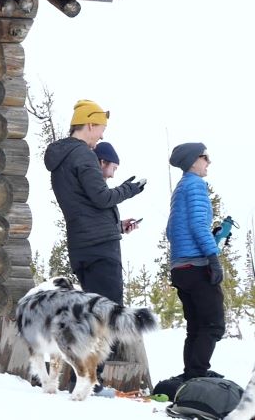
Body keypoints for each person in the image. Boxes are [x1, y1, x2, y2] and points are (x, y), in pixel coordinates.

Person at [44, 100, 146, 396]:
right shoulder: (83, 155)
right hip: (101, 249)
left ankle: (83, 377)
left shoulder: (61, 159)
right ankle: (90, 380)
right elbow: (101, 198)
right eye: (100, 129)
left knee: (90, 314)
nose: (101, 136)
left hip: (82, 246)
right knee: (105, 315)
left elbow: (87, 205)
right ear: (89, 124)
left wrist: (117, 226)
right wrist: (130, 188)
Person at [166, 142, 224, 380]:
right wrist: (212, 257)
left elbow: (172, 230)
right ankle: (196, 376)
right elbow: (199, 225)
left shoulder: (180, 188)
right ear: (193, 160)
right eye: (205, 157)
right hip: (197, 266)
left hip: (180, 268)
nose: (208, 161)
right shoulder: (196, 185)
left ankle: (191, 374)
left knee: (196, 326)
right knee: (213, 325)